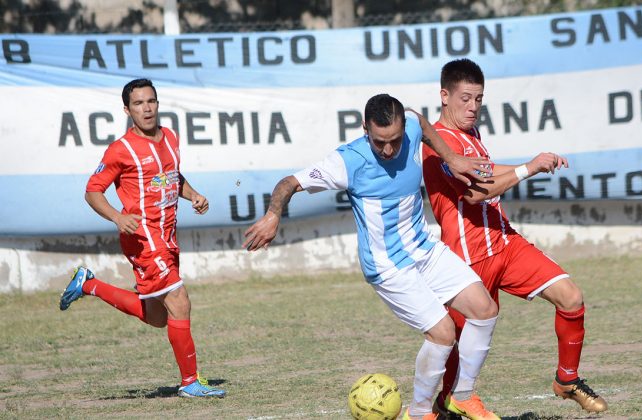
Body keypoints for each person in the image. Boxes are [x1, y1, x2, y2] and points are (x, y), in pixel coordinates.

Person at [244, 94, 500, 420]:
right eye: (380, 142)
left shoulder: (408, 126)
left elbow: (420, 122)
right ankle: (420, 414)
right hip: (387, 267)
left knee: (484, 309)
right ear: (365, 129)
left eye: (394, 141)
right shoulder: (348, 160)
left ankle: (461, 395)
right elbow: (289, 183)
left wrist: (452, 157)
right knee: (443, 333)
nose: (389, 150)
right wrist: (273, 215)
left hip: (423, 249)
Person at [422, 59, 608, 416]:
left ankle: (567, 379)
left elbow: (489, 172)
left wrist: (531, 163)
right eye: (465, 98)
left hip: (504, 241)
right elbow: (474, 193)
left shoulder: (469, 133)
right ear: (444, 96)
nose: (473, 107)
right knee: (454, 355)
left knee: (571, 297)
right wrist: (528, 168)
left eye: (479, 99)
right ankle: (434, 412)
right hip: (468, 258)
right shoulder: (440, 143)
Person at [59, 78, 225, 399]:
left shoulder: (171, 137)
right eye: (138, 104)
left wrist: (193, 195)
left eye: (151, 101)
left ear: (158, 104)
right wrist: (118, 217)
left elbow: (172, 177)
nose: (146, 108)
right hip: (144, 239)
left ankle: (89, 285)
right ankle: (190, 382)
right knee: (180, 301)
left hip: (167, 236)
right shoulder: (121, 149)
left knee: (158, 317)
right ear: (127, 109)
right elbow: (93, 192)